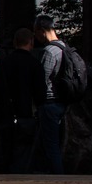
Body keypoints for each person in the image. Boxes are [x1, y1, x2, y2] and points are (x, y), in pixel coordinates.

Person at [0, 28, 46, 184]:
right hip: (26, 117)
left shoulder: (3, 64)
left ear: (14, 42)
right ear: (30, 42)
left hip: (5, 117)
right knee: (23, 160)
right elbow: (41, 95)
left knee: (5, 158)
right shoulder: (35, 64)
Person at [33, 15, 68, 175]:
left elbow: (42, 79)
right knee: (54, 144)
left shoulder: (49, 51)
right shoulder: (64, 47)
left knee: (51, 145)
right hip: (62, 101)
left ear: (41, 31)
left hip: (49, 102)